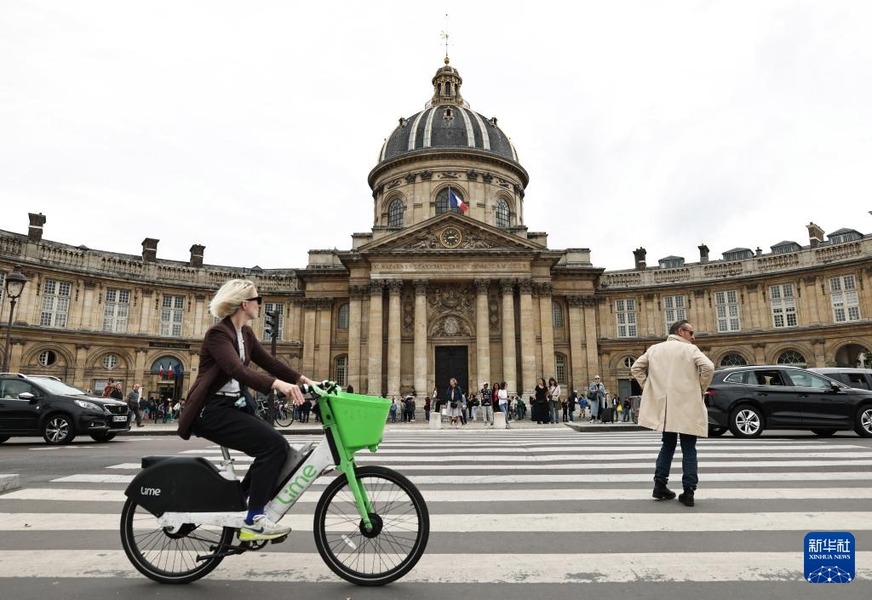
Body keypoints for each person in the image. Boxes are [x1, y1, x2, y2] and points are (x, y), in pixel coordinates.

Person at [177, 278, 314, 541]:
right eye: (257, 300)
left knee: (279, 447)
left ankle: (240, 502)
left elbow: (271, 362)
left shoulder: (246, 334)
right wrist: (279, 386)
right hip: (211, 410)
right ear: (244, 304)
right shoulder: (219, 334)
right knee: (272, 447)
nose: (260, 304)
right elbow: (236, 370)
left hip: (232, 407)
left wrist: (306, 381)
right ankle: (254, 519)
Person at [631, 319, 714, 507]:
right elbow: (708, 367)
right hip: (687, 406)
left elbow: (636, 367)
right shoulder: (690, 350)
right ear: (680, 331)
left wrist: (649, 387)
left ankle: (660, 485)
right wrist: (699, 387)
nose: (693, 337)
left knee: (667, 446)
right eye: (691, 333)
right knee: (689, 448)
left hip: (666, 408)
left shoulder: (654, 349)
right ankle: (689, 491)